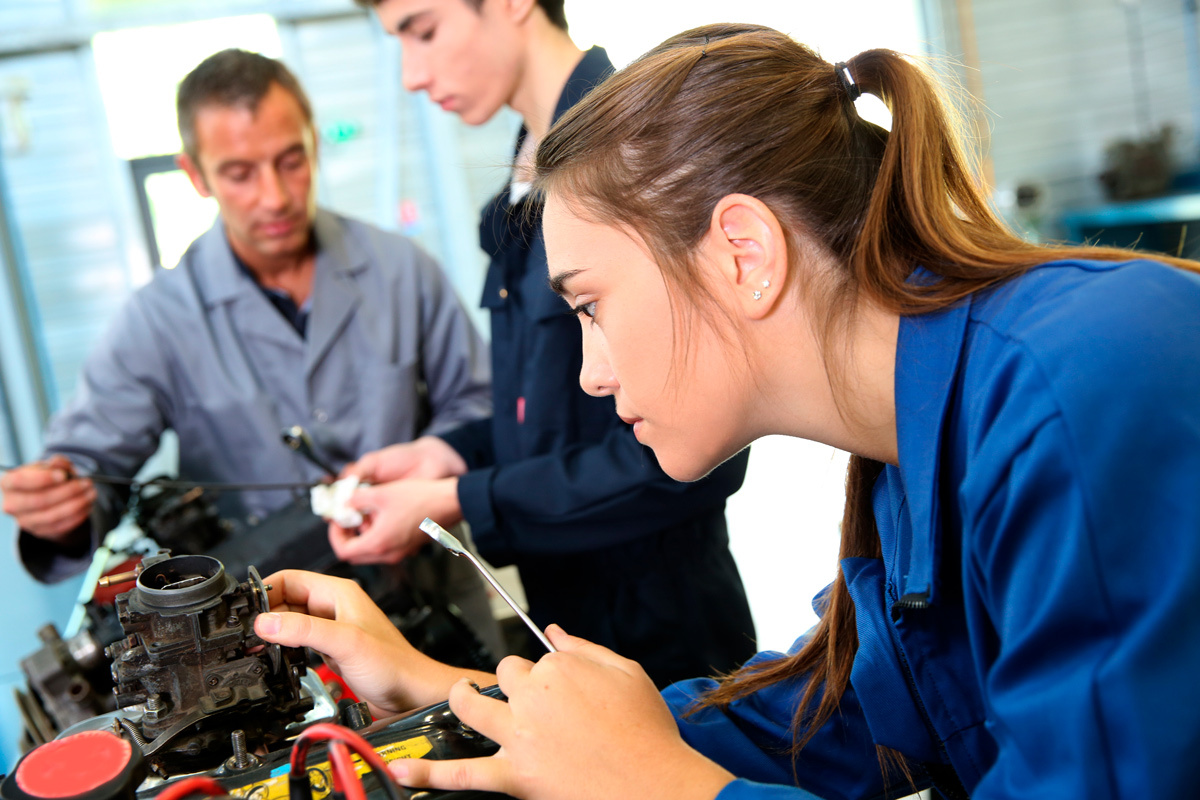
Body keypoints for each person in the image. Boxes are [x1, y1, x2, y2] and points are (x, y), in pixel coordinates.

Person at [252, 22, 1200, 799]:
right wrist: (445, 695)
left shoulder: (1081, 387)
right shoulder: (909, 464)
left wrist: (670, 790)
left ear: (743, 254)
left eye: (589, 307)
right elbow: (830, 715)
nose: (587, 372)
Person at [1, 49, 503, 657]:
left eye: (290, 161)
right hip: (272, 646)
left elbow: (481, 407)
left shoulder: (402, 271)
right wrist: (58, 508)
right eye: (240, 173)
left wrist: (425, 476)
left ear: (314, 145)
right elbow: (87, 471)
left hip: (437, 611)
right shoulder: (158, 319)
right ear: (196, 175)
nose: (275, 196)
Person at [332, 0, 756, 686]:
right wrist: (445, 456)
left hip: (667, 637)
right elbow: (544, 410)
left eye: (424, 29)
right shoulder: (522, 189)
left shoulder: (634, 152)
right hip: (568, 624)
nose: (411, 72)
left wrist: (461, 500)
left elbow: (689, 455)